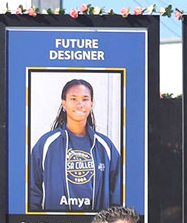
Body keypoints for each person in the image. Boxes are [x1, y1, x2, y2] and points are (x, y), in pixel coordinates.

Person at [27, 78, 122, 213]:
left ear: (91, 104)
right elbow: (32, 190)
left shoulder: (105, 146)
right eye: (73, 99)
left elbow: (118, 193)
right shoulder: (46, 144)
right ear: (64, 104)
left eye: (85, 99)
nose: (80, 104)